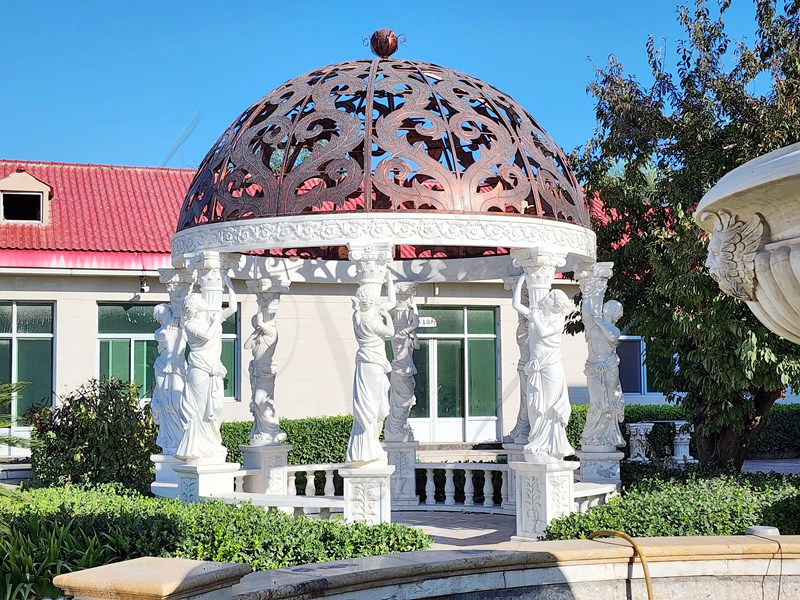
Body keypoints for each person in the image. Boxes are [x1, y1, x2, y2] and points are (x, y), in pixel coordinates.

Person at [511, 276, 575, 460]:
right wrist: (519, 284)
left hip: (551, 367)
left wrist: (534, 315)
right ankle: (537, 440)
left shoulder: (557, 321)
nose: (543, 299)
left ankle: (549, 446)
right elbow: (516, 304)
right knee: (534, 403)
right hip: (536, 367)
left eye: (548, 297)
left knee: (549, 406)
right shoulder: (538, 315)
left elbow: (543, 332)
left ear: (553, 303)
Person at [176, 276, 237, 462]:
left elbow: (233, 308)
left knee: (215, 407)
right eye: (200, 299)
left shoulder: (212, 318)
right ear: (194, 306)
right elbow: (208, 336)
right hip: (199, 370)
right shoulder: (190, 325)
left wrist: (230, 287)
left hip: (213, 369)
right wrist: (216, 320)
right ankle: (198, 447)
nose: (204, 300)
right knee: (200, 409)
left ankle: (211, 443)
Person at [346, 273, 396, 466]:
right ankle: (369, 449)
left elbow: (389, 301)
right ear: (373, 301)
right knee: (375, 409)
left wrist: (387, 281)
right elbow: (390, 332)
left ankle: (370, 446)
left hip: (365, 366)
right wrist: (387, 317)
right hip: (373, 366)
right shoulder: (372, 321)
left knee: (373, 408)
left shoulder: (358, 316)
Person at [580, 299, 626, 450]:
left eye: (612, 306)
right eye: (608, 304)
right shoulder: (593, 325)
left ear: (615, 314)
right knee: (596, 402)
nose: (607, 305)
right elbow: (586, 313)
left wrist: (599, 321)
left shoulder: (613, 329)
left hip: (609, 368)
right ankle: (592, 435)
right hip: (594, 368)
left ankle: (606, 437)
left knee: (609, 402)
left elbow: (612, 337)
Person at [244, 304, 287, 445]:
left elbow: (262, 322)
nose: (255, 323)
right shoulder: (260, 334)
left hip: (265, 372)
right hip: (256, 371)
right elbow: (246, 345)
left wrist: (260, 306)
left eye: (255, 321)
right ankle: (263, 432)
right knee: (258, 404)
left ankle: (274, 430)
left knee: (260, 401)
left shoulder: (272, 332)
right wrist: (255, 331)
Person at [384, 289, 420, 442]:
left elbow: (416, 346)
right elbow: (416, 322)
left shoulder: (403, 335)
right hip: (401, 372)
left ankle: (399, 428)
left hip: (405, 371)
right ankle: (396, 429)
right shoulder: (399, 333)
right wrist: (414, 306)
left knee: (407, 401)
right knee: (403, 402)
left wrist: (414, 337)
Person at [152, 303, 186, 455]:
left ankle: (182, 437)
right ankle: (169, 440)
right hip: (161, 366)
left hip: (177, 367)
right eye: (161, 313)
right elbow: (162, 335)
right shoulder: (162, 330)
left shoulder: (179, 326)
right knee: (163, 401)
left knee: (175, 401)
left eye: (165, 311)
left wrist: (176, 321)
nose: (163, 315)